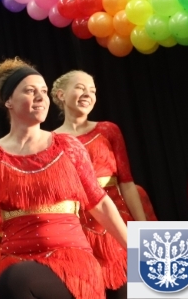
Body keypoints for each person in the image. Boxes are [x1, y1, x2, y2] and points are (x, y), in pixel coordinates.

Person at [0, 58, 126, 299]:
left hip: (71, 260)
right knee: (11, 280)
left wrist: (135, 246)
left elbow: (99, 202)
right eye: (30, 91)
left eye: (44, 91)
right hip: (15, 259)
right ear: (9, 101)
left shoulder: (68, 146)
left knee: (14, 280)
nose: (40, 97)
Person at [50, 70, 145, 297]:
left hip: (118, 223)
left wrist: (144, 229)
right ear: (61, 95)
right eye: (80, 88)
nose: (88, 94)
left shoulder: (108, 130)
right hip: (78, 231)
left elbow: (127, 183)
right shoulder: (51, 141)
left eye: (92, 90)